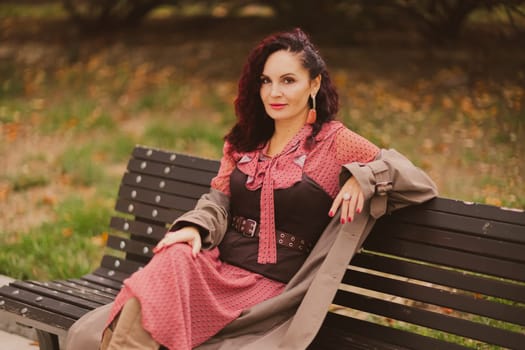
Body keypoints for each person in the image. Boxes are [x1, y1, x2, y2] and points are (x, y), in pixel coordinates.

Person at [65, 28, 437, 350]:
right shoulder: (245, 141)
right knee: (174, 257)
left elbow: (419, 182)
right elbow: (218, 200)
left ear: (315, 83)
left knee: (142, 307)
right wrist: (194, 227)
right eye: (266, 80)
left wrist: (364, 176)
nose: (274, 92)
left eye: (288, 80)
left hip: (269, 290)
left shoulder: (334, 142)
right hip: (217, 271)